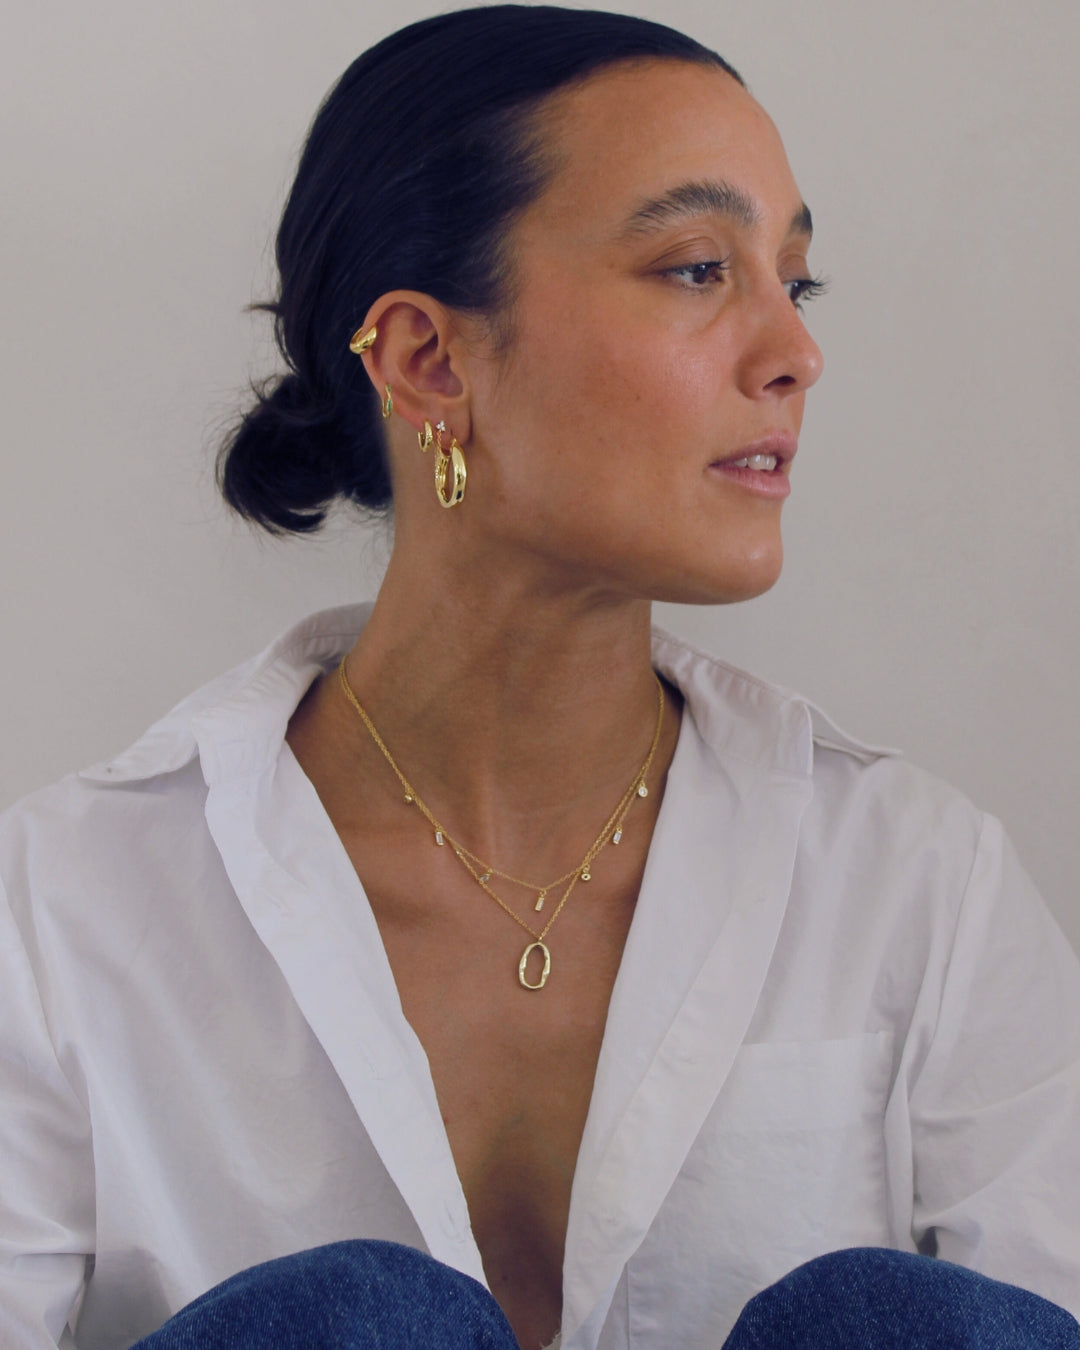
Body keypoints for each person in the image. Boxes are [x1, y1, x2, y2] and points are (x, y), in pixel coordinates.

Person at [2, 6, 1079, 1349]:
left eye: (791, 281)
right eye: (696, 268)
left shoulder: (921, 888)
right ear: (428, 359)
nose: (794, 352)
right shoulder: (56, 917)